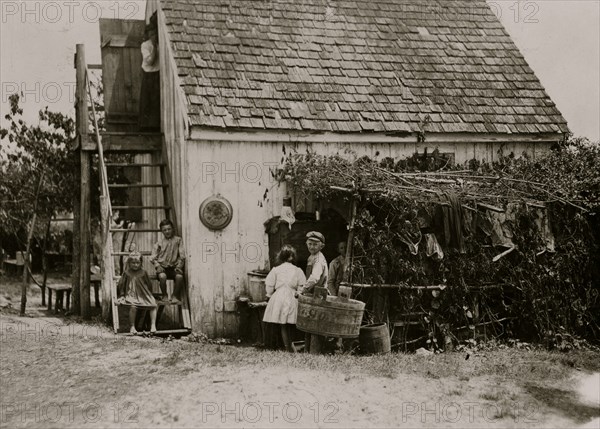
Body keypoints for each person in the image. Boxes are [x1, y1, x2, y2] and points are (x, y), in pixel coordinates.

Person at [262, 245, 306, 352]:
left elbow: (270, 284)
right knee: (288, 323)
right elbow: (302, 285)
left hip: (278, 297)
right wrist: (298, 292)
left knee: (280, 321)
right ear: (292, 257)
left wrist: (269, 294)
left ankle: (285, 346)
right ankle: (286, 346)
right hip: (291, 296)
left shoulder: (276, 270)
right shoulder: (298, 270)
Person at [116, 251, 157, 334]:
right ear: (129, 263)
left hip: (143, 294)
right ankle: (132, 326)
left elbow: (149, 284)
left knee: (153, 305)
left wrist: (149, 294)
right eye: (133, 263)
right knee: (133, 307)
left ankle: (153, 325)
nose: (135, 265)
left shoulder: (143, 272)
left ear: (141, 263)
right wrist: (122, 295)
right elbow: (121, 284)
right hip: (132, 294)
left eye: (138, 263)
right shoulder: (127, 273)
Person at [301, 231, 328, 353]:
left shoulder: (319, 260)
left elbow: (315, 278)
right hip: (313, 293)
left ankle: (314, 352)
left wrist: (303, 289)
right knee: (309, 323)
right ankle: (308, 350)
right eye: (309, 244)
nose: (311, 247)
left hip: (319, 294)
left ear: (321, 246)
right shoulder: (311, 257)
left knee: (315, 324)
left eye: (315, 244)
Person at [150, 219, 185, 304]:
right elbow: (152, 257)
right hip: (162, 268)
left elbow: (182, 256)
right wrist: (158, 266)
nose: (167, 231)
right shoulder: (159, 243)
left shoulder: (178, 240)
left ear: (172, 229)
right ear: (162, 231)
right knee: (162, 277)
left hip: (174, 267)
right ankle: (164, 295)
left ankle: (175, 296)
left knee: (179, 277)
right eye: (164, 230)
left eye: (169, 229)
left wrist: (179, 266)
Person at [139, 14, 160, 131]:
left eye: (154, 33)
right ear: (148, 35)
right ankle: (145, 128)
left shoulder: (158, 44)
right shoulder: (145, 46)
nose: (153, 36)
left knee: (156, 101)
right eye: (151, 34)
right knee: (147, 102)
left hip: (157, 75)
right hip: (148, 75)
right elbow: (151, 61)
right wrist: (154, 47)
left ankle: (155, 126)